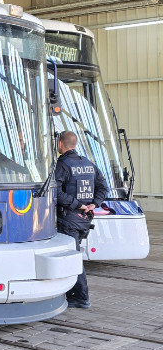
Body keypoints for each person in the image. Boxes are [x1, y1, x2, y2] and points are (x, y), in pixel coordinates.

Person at [55, 130, 109, 309]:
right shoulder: (88, 163)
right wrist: (94, 204)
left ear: (60, 144)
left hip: (69, 218)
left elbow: (56, 192)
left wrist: (76, 204)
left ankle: (80, 297)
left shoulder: (62, 165)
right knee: (75, 255)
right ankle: (74, 294)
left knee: (73, 258)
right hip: (85, 219)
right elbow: (103, 187)